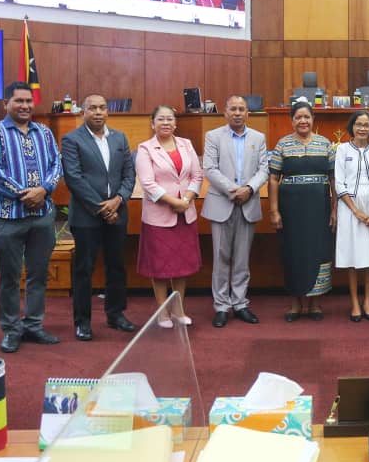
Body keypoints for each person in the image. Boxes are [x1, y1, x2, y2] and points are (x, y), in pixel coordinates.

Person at [0, 81, 63, 353]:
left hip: (42, 216)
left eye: (28, 101)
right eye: (19, 101)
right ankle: (12, 329)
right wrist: (25, 194)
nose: (25, 106)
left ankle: (34, 325)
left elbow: (56, 164)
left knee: (39, 274)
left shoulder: (44, 132)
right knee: (10, 277)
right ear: (6, 104)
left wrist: (44, 189)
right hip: (9, 217)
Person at [61, 95, 136, 341]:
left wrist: (118, 200)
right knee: (84, 269)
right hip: (86, 216)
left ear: (107, 112)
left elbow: (129, 174)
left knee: (116, 266)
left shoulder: (119, 138)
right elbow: (74, 178)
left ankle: (116, 314)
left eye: (102, 108)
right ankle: (82, 322)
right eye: (92, 108)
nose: (98, 112)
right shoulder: (72, 139)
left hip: (118, 212)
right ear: (83, 112)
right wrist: (102, 208)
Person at [202, 95, 269, 328]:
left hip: (248, 203)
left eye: (242, 109)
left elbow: (264, 169)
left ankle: (240, 303)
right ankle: (221, 306)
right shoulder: (213, 136)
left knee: (242, 259)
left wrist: (248, 189)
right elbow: (209, 169)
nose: (238, 113)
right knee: (221, 259)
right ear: (225, 112)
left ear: (248, 113)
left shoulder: (258, 138)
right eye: (233, 109)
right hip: (222, 203)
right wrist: (234, 191)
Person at [135, 106, 203, 327]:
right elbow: (148, 183)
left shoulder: (186, 144)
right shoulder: (145, 148)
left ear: (175, 123)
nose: (165, 123)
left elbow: (197, 175)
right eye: (161, 119)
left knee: (182, 266)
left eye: (169, 119)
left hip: (185, 215)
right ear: (152, 123)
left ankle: (178, 309)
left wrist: (187, 199)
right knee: (160, 267)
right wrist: (175, 202)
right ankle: (163, 312)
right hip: (159, 217)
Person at [268, 102, 336, 322]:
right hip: (291, 212)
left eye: (307, 117)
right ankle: (295, 303)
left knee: (319, 251)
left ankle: (315, 303)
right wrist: (274, 210)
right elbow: (273, 178)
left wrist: (334, 209)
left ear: (313, 119)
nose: (303, 121)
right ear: (292, 120)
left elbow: (334, 179)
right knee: (293, 252)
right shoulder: (283, 144)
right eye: (298, 117)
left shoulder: (325, 144)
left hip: (319, 210)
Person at [334, 110, 369, 322]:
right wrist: (356, 211)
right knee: (352, 256)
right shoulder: (342, 149)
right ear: (352, 126)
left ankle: (367, 301)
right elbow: (339, 183)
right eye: (358, 124)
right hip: (349, 208)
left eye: (366, 125)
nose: (362, 128)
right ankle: (355, 303)